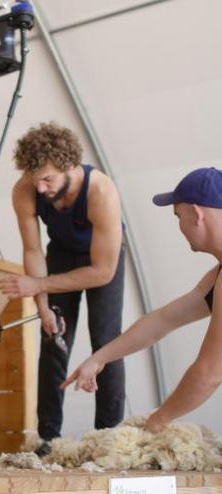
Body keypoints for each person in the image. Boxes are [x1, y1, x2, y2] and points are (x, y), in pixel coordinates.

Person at [63, 167, 222, 433]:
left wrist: (158, 421)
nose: (179, 226)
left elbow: (209, 373)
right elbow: (163, 320)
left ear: (196, 214)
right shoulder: (217, 276)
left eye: (177, 216)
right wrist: (99, 358)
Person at [0, 122, 126, 451]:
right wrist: (42, 307)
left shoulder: (101, 192)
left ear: (70, 166)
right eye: (33, 179)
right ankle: (48, 438)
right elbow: (32, 251)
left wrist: (37, 284)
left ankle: (107, 438)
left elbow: (101, 272)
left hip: (102, 261)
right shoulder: (25, 190)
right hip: (61, 255)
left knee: (106, 341)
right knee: (54, 339)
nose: (40, 188)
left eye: (47, 179)